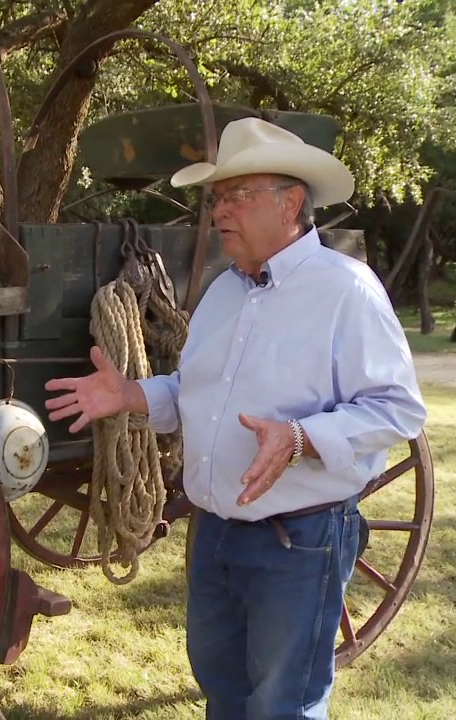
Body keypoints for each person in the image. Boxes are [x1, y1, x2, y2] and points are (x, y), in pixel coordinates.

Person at [44, 117, 427, 720]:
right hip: (216, 534)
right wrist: (132, 395)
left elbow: (397, 407)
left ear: (291, 202)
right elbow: (198, 392)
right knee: (223, 692)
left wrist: (301, 437)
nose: (220, 211)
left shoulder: (345, 290)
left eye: (237, 196)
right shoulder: (225, 290)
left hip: (297, 540)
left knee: (282, 705)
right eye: (217, 197)